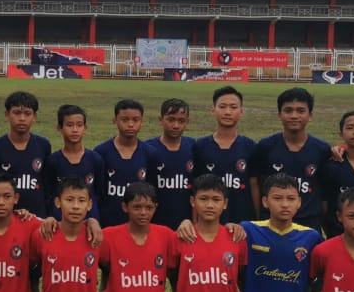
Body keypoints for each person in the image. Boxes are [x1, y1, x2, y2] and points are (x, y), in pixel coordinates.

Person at [249, 87, 331, 231]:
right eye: (288, 110)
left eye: (300, 111)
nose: (294, 116)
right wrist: (259, 216)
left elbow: (325, 192)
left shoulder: (322, 149)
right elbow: (255, 182)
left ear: (310, 115)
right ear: (279, 115)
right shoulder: (265, 146)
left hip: (308, 225)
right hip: (272, 224)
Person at [190, 85, 256, 224]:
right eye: (222, 107)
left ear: (241, 112)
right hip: (209, 223)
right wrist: (195, 221)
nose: (227, 112)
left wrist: (257, 221)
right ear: (213, 111)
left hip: (242, 222)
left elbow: (254, 186)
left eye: (233, 107)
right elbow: (196, 187)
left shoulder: (251, 146)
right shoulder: (200, 146)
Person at [0, 90, 52, 216]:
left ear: (34, 116)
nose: (22, 118)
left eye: (27, 114)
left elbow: (45, 182)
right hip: (6, 218)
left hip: (36, 217)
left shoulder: (43, 145)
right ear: (7, 115)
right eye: (17, 113)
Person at [94, 99, 150, 227]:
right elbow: (96, 193)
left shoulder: (150, 153)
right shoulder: (101, 152)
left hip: (138, 226)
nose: (130, 124)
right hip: (107, 225)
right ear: (115, 120)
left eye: (135, 120)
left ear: (142, 121)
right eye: (124, 120)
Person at [43, 105, 104, 223]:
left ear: (85, 128)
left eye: (79, 125)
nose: (75, 130)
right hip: (60, 221)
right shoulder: (53, 161)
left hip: (89, 221)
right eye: (69, 125)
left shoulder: (95, 159)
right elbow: (48, 194)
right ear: (59, 128)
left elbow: (99, 193)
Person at [144, 98, 196, 231]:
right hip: (156, 224)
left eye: (181, 121)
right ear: (161, 119)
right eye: (171, 120)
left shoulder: (194, 147)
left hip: (187, 225)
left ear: (187, 122)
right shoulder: (148, 149)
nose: (176, 125)